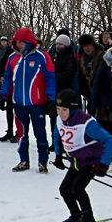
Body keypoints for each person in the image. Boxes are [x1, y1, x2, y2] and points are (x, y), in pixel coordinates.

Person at [54, 89, 112, 222]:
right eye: (58, 109)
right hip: (76, 160)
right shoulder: (60, 120)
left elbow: (109, 140)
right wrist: (57, 154)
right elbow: (57, 134)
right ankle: (76, 217)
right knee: (64, 189)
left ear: (73, 109)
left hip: (91, 161)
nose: (61, 113)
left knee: (77, 189)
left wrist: (103, 164)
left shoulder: (86, 123)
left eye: (64, 109)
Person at [0, 27, 56, 173]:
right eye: (17, 42)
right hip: (18, 103)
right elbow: (7, 78)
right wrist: (3, 94)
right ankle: (23, 160)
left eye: (22, 42)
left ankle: (43, 162)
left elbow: (50, 78)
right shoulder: (12, 58)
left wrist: (51, 98)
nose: (19, 45)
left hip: (37, 103)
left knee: (40, 133)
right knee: (21, 133)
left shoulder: (42, 57)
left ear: (29, 41)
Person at [51, 33, 78, 168]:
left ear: (66, 45)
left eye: (61, 44)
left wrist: (53, 76)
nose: (58, 46)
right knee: (55, 120)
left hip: (67, 93)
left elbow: (68, 75)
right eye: (57, 44)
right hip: (55, 92)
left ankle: (68, 146)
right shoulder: (55, 56)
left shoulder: (70, 57)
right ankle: (56, 146)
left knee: (67, 122)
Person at [0, 37, 19, 143]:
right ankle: (10, 131)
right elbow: (1, 66)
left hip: (19, 87)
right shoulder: (9, 53)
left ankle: (20, 133)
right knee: (9, 110)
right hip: (8, 86)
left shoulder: (24, 54)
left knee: (19, 112)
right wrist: (1, 77)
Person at [77, 35, 102, 114]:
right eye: (84, 46)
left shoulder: (102, 56)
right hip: (88, 93)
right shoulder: (82, 59)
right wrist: (84, 90)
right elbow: (81, 76)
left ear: (93, 45)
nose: (87, 48)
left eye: (89, 45)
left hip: (101, 93)